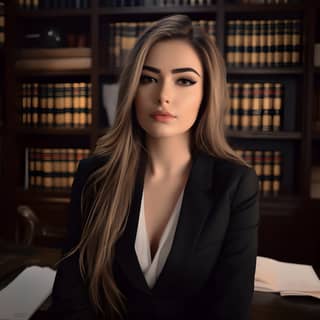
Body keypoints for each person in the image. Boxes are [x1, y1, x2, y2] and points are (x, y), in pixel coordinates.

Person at [49, 14, 260, 320]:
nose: (163, 96)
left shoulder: (236, 184)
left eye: (184, 80)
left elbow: (231, 308)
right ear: (132, 89)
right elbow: (70, 298)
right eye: (148, 78)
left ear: (207, 94)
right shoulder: (95, 175)